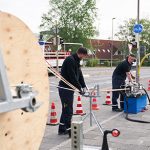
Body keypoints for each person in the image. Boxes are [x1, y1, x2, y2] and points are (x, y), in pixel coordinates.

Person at [58, 47, 88, 137]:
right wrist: (79, 89)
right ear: (81, 54)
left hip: (70, 88)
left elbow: (79, 75)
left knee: (65, 109)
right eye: (84, 56)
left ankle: (62, 129)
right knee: (68, 110)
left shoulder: (76, 60)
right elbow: (72, 77)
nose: (84, 58)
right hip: (65, 88)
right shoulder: (70, 60)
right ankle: (70, 131)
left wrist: (83, 86)